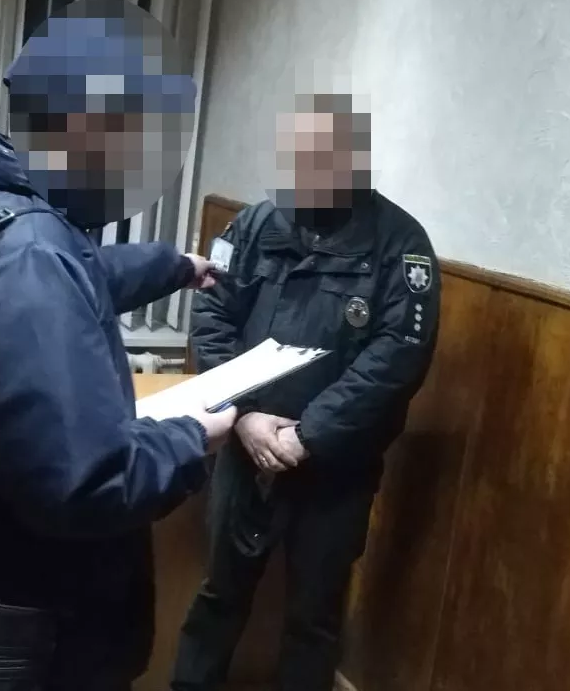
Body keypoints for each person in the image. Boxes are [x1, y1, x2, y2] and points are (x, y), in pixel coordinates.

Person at [0, 0, 236, 691]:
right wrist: (190, 436)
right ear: (85, 126)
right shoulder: (32, 255)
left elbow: (69, 277)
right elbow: (85, 485)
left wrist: (174, 265)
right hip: (30, 625)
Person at [170, 92, 441, 691]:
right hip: (245, 451)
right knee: (219, 594)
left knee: (313, 618)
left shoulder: (400, 245)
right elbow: (213, 318)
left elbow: (397, 358)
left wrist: (309, 435)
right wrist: (243, 416)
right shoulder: (255, 225)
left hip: (335, 465)